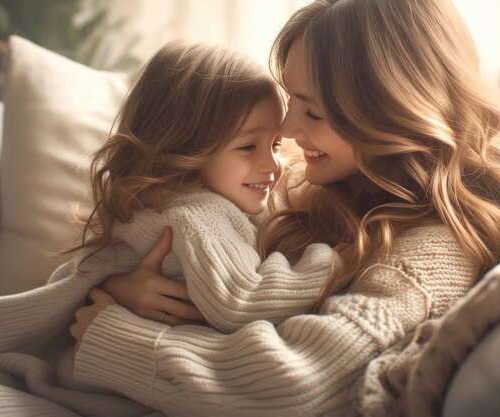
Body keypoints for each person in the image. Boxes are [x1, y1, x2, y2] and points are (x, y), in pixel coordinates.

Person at [69, 0, 500, 416]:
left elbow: (294, 385)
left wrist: (114, 336)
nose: (290, 129)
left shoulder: (432, 253)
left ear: (393, 112)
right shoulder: (305, 179)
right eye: (292, 98)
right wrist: (122, 286)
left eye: (313, 111)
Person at [66, 40, 348, 338]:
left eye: (276, 145)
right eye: (248, 146)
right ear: (183, 146)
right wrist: (332, 262)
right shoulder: (200, 214)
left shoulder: (161, 202)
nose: (273, 164)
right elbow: (243, 303)